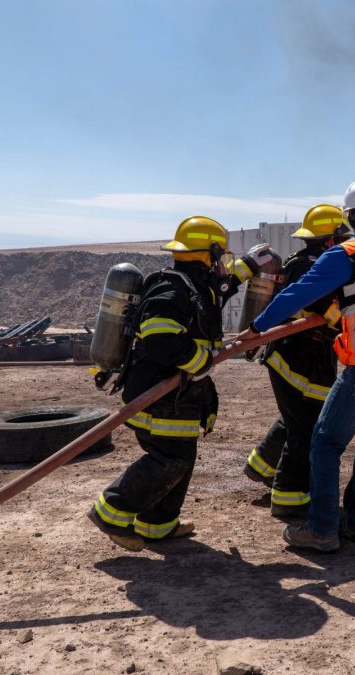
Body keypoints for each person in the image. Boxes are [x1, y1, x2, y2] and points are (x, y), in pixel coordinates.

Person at [237, 180, 355, 552]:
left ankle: (322, 530)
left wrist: (257, 327)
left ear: (349, 220)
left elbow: (295, 295)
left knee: (324, 443)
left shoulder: (345, 254)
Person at [88, 216, 273, 552]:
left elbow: (224, 286)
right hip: (159, 394)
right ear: (210, 253)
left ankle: (157, 524)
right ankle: (112, 511)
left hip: (180, 393)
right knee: (169, 459)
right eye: (221, 256)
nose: (223, 263)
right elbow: (160, 335)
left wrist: (252, 262)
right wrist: (197, 360)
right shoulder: (173, 287)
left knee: (181, 457)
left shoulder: (198, 285)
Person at [243, 204, 349, 519]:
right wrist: (340, 316)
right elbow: (315, 306)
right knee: (307, 429)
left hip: (302, 356)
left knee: (296, 418)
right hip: (300, 360)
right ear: (331, 239)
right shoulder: (311, 266)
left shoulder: (306, 262)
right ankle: (289, 499)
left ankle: (261, 466)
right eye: (342, 237)